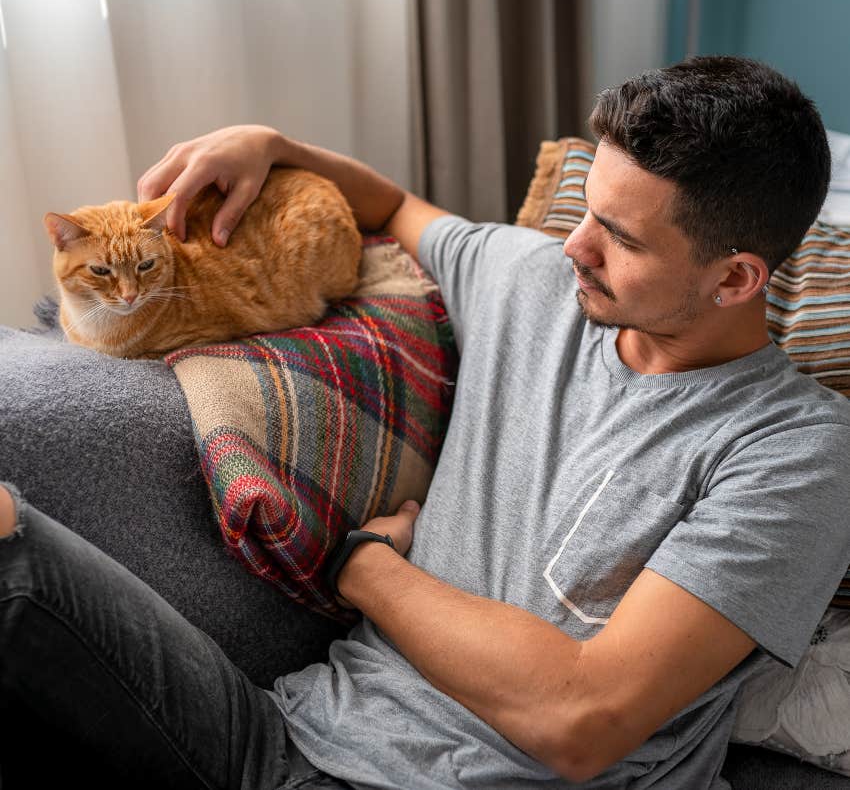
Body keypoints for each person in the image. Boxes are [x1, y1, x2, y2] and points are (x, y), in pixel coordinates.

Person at [2, 55, 849, 789]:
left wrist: (367, 569)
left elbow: (583, 719)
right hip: (282, 737)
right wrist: (273, 145)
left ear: (737, 280)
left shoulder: (795, 453)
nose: (571, 247)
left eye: (618, 237)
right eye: (584, 209)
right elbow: (397, 205)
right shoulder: (533, 285)